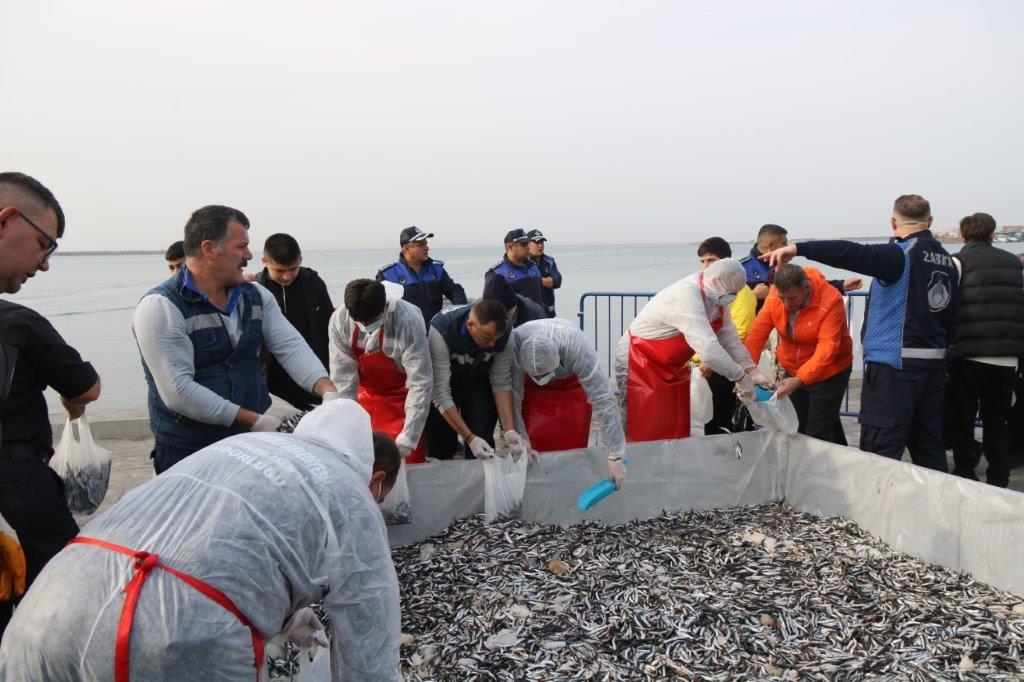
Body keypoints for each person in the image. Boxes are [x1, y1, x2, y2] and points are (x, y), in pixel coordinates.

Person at [0, 399, 402, 680]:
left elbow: (215, 543)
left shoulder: (243, 445)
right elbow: (369, 652)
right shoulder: (352, 497)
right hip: (171, 640)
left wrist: (288, 616)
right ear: (373, 477)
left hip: (48, 609)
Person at [133, 205, 339, 474]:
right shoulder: (161, 307)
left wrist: (328, 391)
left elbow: (290, 346)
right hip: (191, 451)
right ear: (209, 249)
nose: (249, 255)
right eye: (241, 246)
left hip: (250, 444)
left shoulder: (255, 296)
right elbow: (178, 391)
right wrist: (254, 420)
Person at [762, 194, 958, 471]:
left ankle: (875, 499)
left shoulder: (900, 255)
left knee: (880, 449)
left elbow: (851, 253)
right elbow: (952, 316)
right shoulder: (947, 261)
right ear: (930, 221)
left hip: (894, 368)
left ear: (893, 222)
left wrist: (798, 248)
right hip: (933, 367)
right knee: (928, 445)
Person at [0, 171, 101, 637]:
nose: (44, 264)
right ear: (6, 220)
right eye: (44, 245)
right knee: (62, 611)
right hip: (21, 491)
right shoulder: (21, 325)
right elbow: (86, 388)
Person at [614, 258, 769, 442]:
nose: (732, 297)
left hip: (672, 366)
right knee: (640, 424)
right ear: (715, 281)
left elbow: (730, 339)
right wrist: (740, 377)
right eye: (730, 293)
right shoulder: (686, 295)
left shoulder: (716, 299)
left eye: (735, 293)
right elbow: (709, 350)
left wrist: (751, 369)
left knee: (673, 426)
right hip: (638, 359)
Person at [944, 213, 1024, 487]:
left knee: (963, 419)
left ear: (963, 236)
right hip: (1006, 356)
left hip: (967, 354)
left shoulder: (958, 261)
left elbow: (947, 305)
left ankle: (965, 471)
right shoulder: (1014, 263)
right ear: (992, 235)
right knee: (996, 421)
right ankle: (998, 477)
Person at [745, 264, 853, 444]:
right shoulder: (775, 295)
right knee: (798, 423)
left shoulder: (831, 300)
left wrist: (800, 378)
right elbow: (757, 334)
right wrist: (746, 371)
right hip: (792, 367)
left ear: (806, 288)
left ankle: (818, 461)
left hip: (830, 370)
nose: (787, 304)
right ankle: (841, 456)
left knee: (817, 431)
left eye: (792, 298)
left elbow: (828, 347)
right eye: (782, 298)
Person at [512, 319, 626, 486]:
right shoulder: (515, 344)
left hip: (572, 386)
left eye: (544, 375)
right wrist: (520, 439)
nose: (541, 379)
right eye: (536, 376)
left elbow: (603, 399)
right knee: (536, 440)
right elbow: (513, 396)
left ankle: (572, 481)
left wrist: (615, 455)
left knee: (572, 444)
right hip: (533, 392)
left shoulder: (577, 348)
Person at [329, 279, 432, 462]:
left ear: (384, 306)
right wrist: (346, 423)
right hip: (364, 396)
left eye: (372, 321)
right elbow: (342, 378)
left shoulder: (407, 320)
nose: (366, 325)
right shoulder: (340, 320)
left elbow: (420, 382)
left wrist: (409, 436)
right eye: (361, 322)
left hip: (403, 398)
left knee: (408, 460)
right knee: (361, 457)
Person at [426, 299, 526, 460]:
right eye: (487, 338)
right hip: (447, 381)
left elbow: (501, 381)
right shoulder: (441, 330)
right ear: (470, 325)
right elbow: (440, 393)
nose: (492, 344)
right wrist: (469, 438)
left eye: (496, 339)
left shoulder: (505, 334)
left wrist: (509, 430)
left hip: (478, 381)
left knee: (483, 436)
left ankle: (482, 472)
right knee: (441, 441)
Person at [256, 233, 334, 410]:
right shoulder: (257, 289)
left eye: (293, 269)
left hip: (312, 373)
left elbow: (328, 327)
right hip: (271, 379)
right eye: (280, 271)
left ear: (300, 260)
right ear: (264, 261)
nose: (287, 276)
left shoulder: (313, 283)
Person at [694, 237, 758, 435]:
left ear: (726, 262)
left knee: (719, 420)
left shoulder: (740, 291)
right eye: (703, 261)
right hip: (704, 363)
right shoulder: (709, 291)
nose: (706, 266)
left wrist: (711, 362)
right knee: (704, 420)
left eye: (711, 260)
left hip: (722, 366)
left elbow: (740, 331)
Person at [376, 226, 467, 328]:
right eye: (421, 245)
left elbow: (455, 290)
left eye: (426, 243)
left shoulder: (436, 269)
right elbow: (376, 306)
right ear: (406, 249)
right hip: (405, 335)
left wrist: (459, 314)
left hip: (435, 332)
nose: (427, 248)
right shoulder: (387, 275)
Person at [486, 229, 545, 310]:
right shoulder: (496, 273)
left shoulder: (533, 267)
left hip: (539, 317)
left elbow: (542, 298)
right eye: (524, 244)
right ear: (510, 247)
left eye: (528, 243)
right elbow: (490, 310)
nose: (528, 247)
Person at [740, 224, 790, 307]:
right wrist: (753, 295)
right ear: (771, 246)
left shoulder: (783, 264)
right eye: (784, 243)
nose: (787, 247)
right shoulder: (741, 268)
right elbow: (726, 304)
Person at [482, 270, 546, 329]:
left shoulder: (535, 315)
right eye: (494, 315)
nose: (500, 320)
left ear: (513, 308)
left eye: (503, 316)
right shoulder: (478, 310)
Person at [526, 229, 562, 318]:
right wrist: (547, 281)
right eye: (536, 242)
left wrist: (533, 280)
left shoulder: (549, 261)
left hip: (549, 312)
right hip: (529, 314)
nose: (540, 246)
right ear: (528, 244)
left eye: (541, 242)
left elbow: (557, 282)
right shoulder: (522, 262)